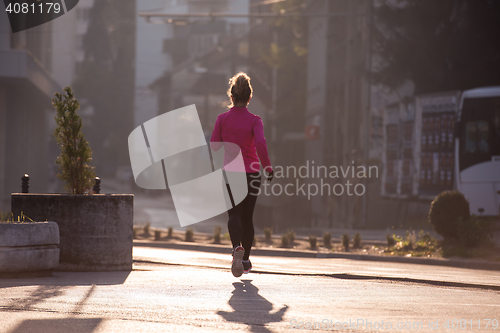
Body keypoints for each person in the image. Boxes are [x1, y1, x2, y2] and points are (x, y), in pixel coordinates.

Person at [210, 72, 273, 277]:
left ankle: (236, 247)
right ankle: (245, 260)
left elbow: (215, 147)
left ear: (231, 96)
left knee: (234, 214)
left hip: (231, 173)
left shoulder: (222, 119)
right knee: (248, 218)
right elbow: (261, 143)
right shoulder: (255, 121)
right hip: (253, 172)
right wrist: (268, 167)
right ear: (249, 97)